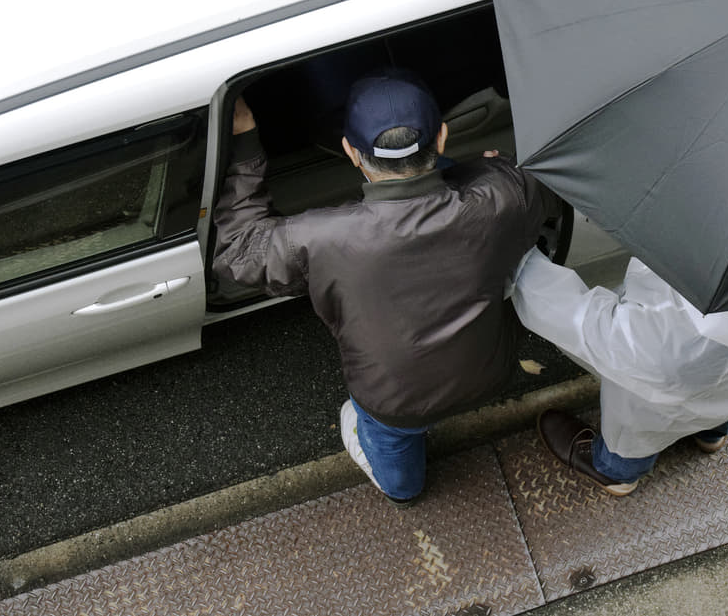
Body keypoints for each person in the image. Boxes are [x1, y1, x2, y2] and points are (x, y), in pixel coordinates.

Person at [213, 69, 558, 507]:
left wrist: (244, 142)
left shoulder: (321, 239)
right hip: (490, 374)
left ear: (350, 153)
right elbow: (543, 178)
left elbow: (239, 253)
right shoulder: (502, 199)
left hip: (396, 406)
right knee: (453, 177)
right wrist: (496, 168)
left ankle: (373, 445)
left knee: (403, 486)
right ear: (443, 136)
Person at [509, 247, 728, 496]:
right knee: (722, 396)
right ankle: (711, 434)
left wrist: (519, 262)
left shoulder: (666, 333)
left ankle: (616, 471)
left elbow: (584, 326)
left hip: (661, 386)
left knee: (636, 432)